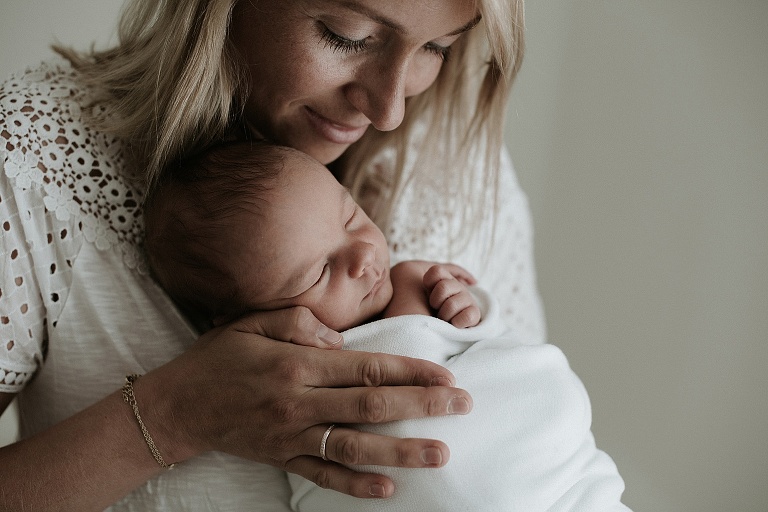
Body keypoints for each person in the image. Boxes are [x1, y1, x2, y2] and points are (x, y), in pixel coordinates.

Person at [0, 0, 546, 510]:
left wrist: (464, 314)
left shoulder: (461, 167)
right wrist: (174, 415)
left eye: (438, 47)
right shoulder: (35, 166)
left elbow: (535, 422)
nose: (388, 111)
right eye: (346, 35)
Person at [145, 141, 631, 512]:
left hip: (564, 485)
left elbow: (494, 348)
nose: (363, 256)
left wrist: (466, 308)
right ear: (244, 320)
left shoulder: (413, 283)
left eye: (352, 217)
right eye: (319, 272)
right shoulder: (268, 373)